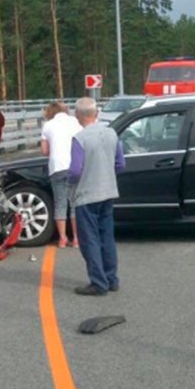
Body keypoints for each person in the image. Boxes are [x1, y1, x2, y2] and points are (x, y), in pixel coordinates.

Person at [67, 97, 125, 296]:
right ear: (96, 113)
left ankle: (98, 283)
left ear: (77, 116)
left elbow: (75, 171)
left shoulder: (79, 139)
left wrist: (69, 182)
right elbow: (120, 164)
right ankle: (111, 279)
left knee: (89, 239)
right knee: (106, 237)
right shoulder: (112, 133)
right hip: (108, 191)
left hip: (87, 195)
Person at [40, 101, 82, 248]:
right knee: (75, 203)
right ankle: (76, 239)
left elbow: (45, 151)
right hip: (75, 166)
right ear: (66, 110)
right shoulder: (75, 122)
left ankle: (63, 239)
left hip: (57, 167)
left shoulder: (48, 125)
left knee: (60, 203)